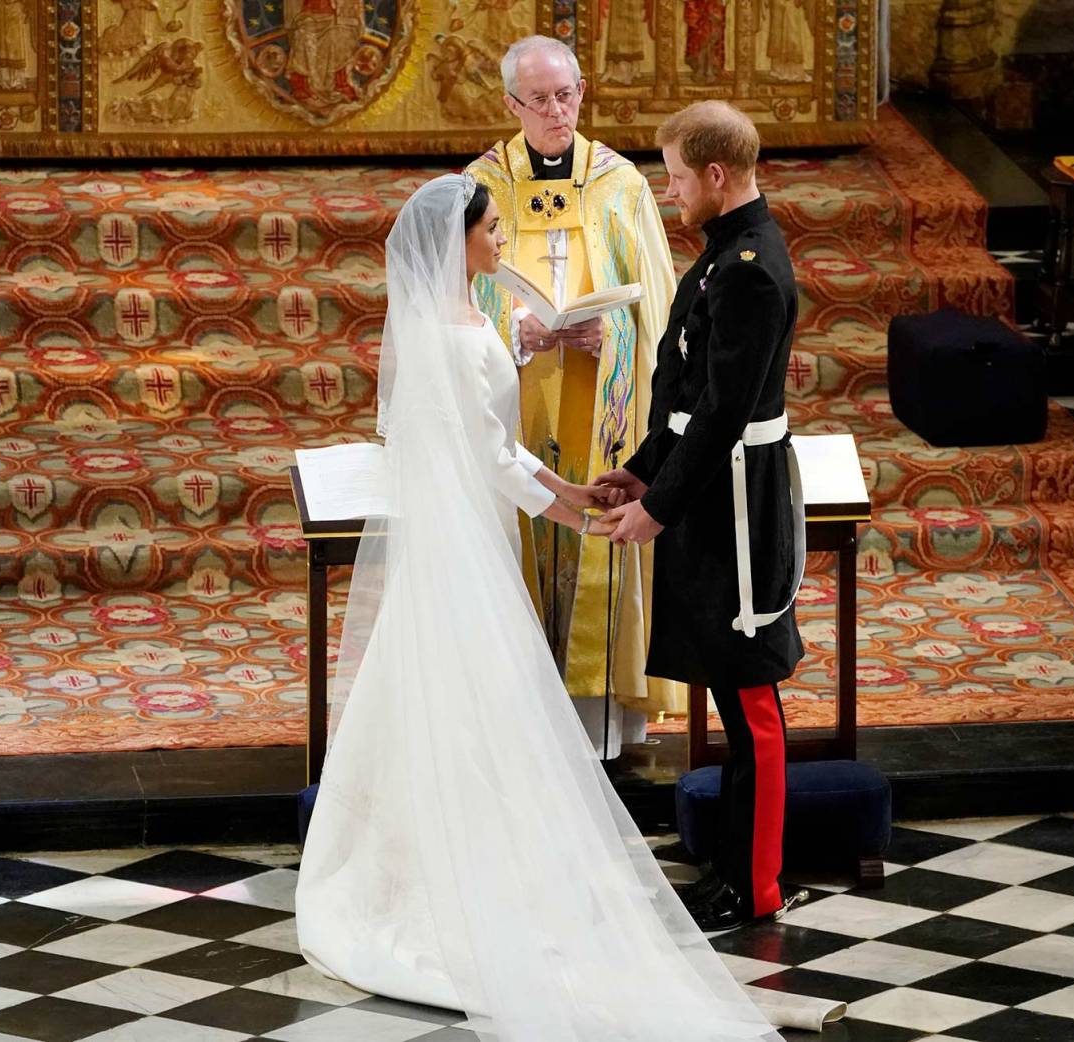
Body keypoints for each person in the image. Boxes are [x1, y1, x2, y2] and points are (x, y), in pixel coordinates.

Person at [295, 173, 784, 1042]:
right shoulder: (444, 338)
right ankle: (437, 878)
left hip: (479, 524)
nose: (498, 242)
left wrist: (574, 490)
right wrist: (571, 510)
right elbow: (486, 457)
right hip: (465, 539)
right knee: (463, 696)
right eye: (490, 231)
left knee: (470, 699)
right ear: (460, 241)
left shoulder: (465, 316)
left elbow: (502, 446)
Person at [595, 101, 805, 933]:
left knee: (750, 700)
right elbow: (683, 396)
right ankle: (735, 864)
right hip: (706, 492)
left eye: (678, 176)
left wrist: (659, 507)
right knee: (729, 689)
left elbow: (725, 413)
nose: (670, 189)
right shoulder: (725, 252)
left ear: (717, 175)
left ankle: (757, 885)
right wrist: (643, 470)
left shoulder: (750, 266)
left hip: (736, 512)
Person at [466, 34, 679, 757]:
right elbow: (458, 297)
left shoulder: (621, 184)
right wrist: (520, 333)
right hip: (518, 395)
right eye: (540, 100)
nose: (557, 112)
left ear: (582, 92)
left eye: (568, 95)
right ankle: (516, 723)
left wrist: (611, 336)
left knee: (600, 527)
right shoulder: (481, 185)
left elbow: (657, 311)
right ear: (511, 105)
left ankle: (599, 729)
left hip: (602, 403)